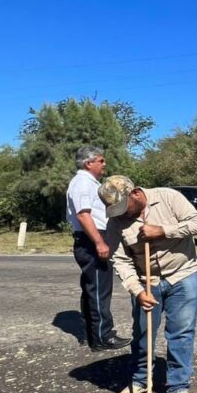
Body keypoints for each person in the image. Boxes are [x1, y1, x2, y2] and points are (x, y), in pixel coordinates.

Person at [100, 175, 197, 393]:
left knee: (181, 333)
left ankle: (178, 387)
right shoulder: (116, 221)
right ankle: (139, 380)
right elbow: (119, 259)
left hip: (183, 275)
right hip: (146, 281)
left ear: (136, 193)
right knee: (143, 332)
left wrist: (162, 231)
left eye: (123, 207)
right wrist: (137, 291)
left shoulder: (168, 197)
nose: (120, 214)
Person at [65, 146, 130, 352]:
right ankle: (103, 336)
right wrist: (100, 242)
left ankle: (92, 334)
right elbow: (84, 215)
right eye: (101, 161)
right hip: (92, 238)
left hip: (91, 238)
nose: (104, 164)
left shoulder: (88, 182)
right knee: (99, 289)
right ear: (88, 163)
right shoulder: (83, 183)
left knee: (92, 287)